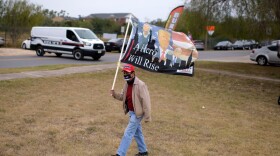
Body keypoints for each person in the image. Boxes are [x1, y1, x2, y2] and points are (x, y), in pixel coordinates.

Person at [111, 64, 151, 156]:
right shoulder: (126, 84)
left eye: (127, 73)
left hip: (138, 113)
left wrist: (147, 117)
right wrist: (114, 94)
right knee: (137, 132)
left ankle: (120, 154)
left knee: (127, 133)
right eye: (124, 73)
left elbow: (146, 101)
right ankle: (143, 151)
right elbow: (123, 97)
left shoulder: (141, 85)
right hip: (131, 112)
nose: (125, 74)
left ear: (133, 73)